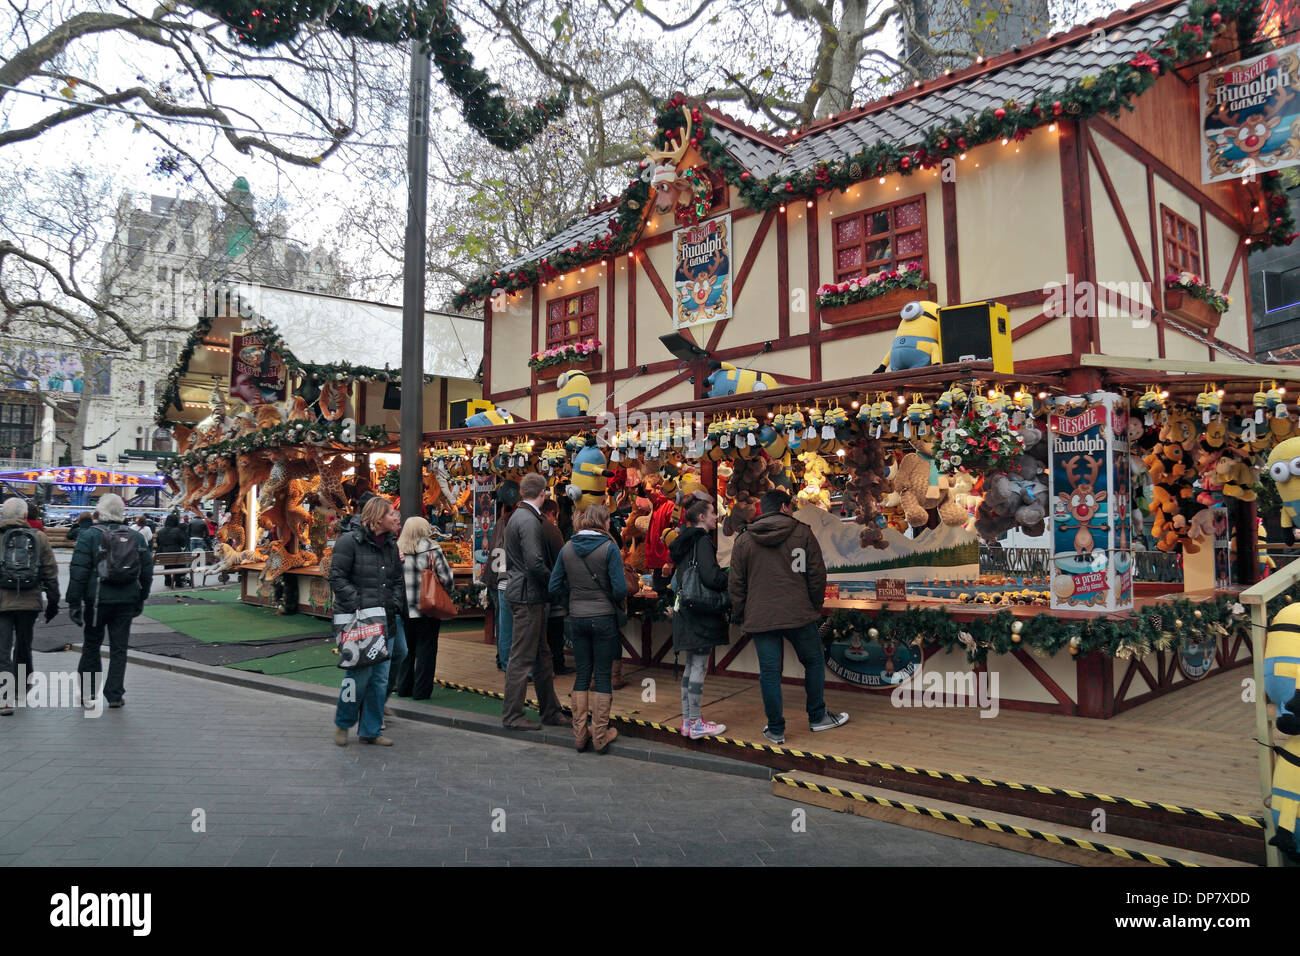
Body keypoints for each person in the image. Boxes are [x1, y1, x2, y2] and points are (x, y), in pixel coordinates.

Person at [728, 488, 848, 745]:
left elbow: (736, 584)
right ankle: (817, 717)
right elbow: (817, 574)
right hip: (799, 613)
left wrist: (740, 614)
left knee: (769, 673)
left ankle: (775, 729)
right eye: (791, 506)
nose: (792, 510)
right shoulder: (802, 532)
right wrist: (813, 605)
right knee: (814, 662)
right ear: (783, 507)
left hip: (761, 615)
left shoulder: (744, 540)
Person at [549, 503, 627, 753]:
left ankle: (580, 735)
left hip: (577, 618)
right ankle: (600, 736)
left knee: (582, 674)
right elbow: (620, 589)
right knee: (602, 675)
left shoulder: (568, 548)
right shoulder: (609, 547)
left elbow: (553, 586)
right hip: (604, 617)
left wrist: (572, 600)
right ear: (603, 523)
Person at [329, 497, 404, 746]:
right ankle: (343, 723)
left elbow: (396, 580)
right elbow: (337, 577)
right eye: (392, 513)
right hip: (358, 620)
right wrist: (358, 603)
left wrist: (393, 604)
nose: (396, 517)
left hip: (385, 620)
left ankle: (370, 730)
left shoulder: (391, 545)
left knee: (380, 678)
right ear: (378, 517)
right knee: (357, 676)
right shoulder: (349, 541)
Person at [67, 494, 152, 710]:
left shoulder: (89, 536)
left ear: (100, 511)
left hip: (97, 601)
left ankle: (88, 693)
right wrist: (141, 598)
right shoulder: (136, 537)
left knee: (92, 645)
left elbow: (79, 571)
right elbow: (146, 573)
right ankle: (115, 694)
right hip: (125, 600)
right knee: (119, 648)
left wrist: (74, 602)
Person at [501, 472, 570, 731]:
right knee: (522, 657)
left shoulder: (518, 517)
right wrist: (556, 583)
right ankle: (513, 715)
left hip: (525, 593)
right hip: (528, 595)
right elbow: (535, 562)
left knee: (541, 656)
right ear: (543, 494)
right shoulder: (529, 521)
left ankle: (550, 710)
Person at [669, 497, 729, 740]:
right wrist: (728, 577)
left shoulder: (683, 542)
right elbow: (710, 577)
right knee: (699, 667)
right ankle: (695, 724)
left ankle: (688, 720)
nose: (716, 517)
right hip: (701, 611)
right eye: (713, 513)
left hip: (685, 609)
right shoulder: (702, 540)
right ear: (701, 517)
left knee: (690, 666)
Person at [0, 497, 59, 714]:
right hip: (29, 600)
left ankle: (4, 699)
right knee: (24, 645)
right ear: (26, 516)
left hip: (2, 601)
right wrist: (53, 600)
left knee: (2, 649)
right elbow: (50, 571)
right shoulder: (39, 537)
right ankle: (22, 687)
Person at [395, 516, 454, 700]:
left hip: (404, 607)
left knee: (407, 648)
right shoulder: (432, 549)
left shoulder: (397, 550)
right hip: (427, 606)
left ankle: (403, 687)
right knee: (426, 649)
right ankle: (421, 691)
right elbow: (446, 578)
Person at [482, 495, 515, 671]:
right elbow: (500, 555)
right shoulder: (508, 524)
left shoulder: (499, 525)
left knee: (502, 622)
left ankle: (502, 659)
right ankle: (505, 661)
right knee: (506, 624)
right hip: (502, 578)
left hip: (495, 577)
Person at [540, 498, 568, 675]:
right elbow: (561, 558)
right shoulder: (552, 530)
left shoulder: (531, 526)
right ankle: (557, 664)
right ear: (552, 513)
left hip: (538, 587)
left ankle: (549, 664)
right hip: (551, 584)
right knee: (555, 630)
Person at [155, 513, 188, 588]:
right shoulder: (178, 530)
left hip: (163, 556)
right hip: (176, 555)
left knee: (167, 563)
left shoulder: (161, 531)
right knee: (181, 563)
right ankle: (178, 581)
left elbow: (158, 542)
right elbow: (183, 544)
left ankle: (168, 581)